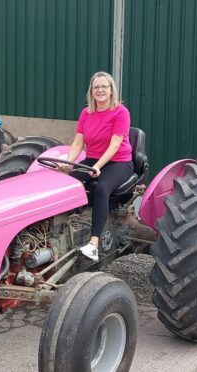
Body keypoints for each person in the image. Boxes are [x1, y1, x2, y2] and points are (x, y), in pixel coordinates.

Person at [65, 71, 133, 261]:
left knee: (103, 188)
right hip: (93, 160)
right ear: (91, 91)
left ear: (111, 90)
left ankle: (93, 244)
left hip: (118, 161)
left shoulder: (121, 112)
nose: (100, 90)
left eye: (104, 86)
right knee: (66, 182)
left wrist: (98, 167)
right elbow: (78, 143)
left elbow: (115, 145)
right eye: (96, 87)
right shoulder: (86, 113)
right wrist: (69, 164)